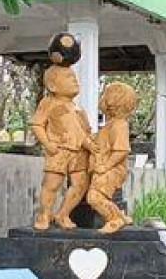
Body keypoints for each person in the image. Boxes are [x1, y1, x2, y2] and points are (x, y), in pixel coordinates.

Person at [30, 63, 93, 230]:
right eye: (69, 77)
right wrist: (47, 144)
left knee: (81, 185)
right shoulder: (48, 103)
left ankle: (63, 213)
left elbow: (86, 131)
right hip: (59, 150)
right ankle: (44, 214)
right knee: (51, 185)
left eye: (75, 77)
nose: (74, 80)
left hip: (79, 152)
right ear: (52, 85)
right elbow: (37, 125)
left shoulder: (78, 108)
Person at [87, 82, 138, 234]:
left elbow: (121, 151)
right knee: (101, 197)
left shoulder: (119, 125)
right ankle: (119, 215)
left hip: (111, 169)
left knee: (94, 198)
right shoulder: (111, 125)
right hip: (102, 167)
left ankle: (114, 219)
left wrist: (105, 166)